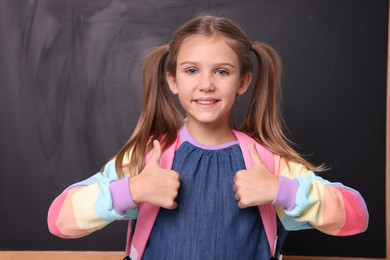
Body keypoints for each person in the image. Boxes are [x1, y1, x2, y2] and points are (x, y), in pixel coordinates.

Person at [47, 15, 368, 260]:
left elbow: (356, 216)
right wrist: (132, 190)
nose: (206, 84)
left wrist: (281, 190)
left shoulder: (267, 163)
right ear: (171, 79)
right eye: (191, 70)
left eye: (222, 71)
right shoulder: (150, 159)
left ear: (243, 81)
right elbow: (59, 221)